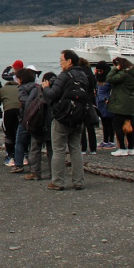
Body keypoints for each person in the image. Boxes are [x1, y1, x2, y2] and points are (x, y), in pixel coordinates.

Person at [43, 49, 89, 191]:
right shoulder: (83, 75)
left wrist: (46, 88)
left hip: (63, 116)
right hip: (79, 115)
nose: (60, 62)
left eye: (61, 60)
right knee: (76, 149)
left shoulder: (64, 75)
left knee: (59, 150)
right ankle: (78, 181)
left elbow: (53, 94)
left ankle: (57, 182)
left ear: (69, 61)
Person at [23, 70, 55, 181]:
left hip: (37, 123)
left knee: (35, 148)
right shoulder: (55, 92)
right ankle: (53, 173)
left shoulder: (37, 90)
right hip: (52, 124)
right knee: (52, 150)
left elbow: (27, 105)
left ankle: (35, 172)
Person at [106, 57, 134, 156]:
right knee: (129, 125)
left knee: (118, 125)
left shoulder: (123, 74)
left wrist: (115, 69)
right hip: (129, 103)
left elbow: (109, 79)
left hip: (121, 104)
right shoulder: (132, 73)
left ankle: (122, 148)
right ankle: (131, 148)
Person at [0, 67, 21, 166]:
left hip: (8, 112)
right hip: (21, 112)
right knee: (20, 133)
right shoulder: (20, 88)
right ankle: (23, 157)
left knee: (9, 134)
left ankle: (10, 157)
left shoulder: (2, 89)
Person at [78, 58, 98, 155]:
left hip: (82, 100)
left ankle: (83, 148)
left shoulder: (79, 72)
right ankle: (93, 148)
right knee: (91, 126)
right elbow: (94, 84)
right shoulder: (89, 72)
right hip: (91, 100)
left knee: (82, 126)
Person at [94, 61, 115, 149]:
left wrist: (109, 99)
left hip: (107, 102)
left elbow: (114, 90)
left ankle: (111, 141)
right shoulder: (98, 78)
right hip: (99, 102)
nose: (99, 72)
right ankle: (105, 140)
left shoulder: (109, 79)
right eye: (97, 70)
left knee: (109, 122)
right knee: (104, 122)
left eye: (100, 70)